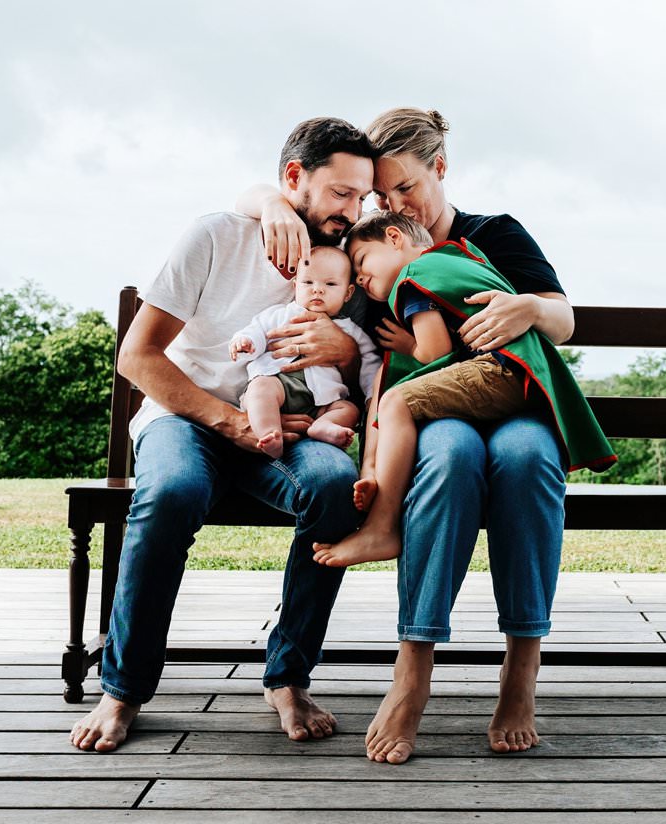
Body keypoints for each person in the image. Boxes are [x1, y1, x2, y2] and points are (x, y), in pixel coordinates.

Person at [237, 107, 580, 763]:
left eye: (406, 188)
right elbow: (351, 333)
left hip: (514, 405)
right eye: (380, 193)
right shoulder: (373, 249)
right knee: (449, 456)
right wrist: (269, 207)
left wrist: (529, 306)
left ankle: (521, 673)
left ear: (440, 170)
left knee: (529, 456)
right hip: (432, 419)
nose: (392, 202)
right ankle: (412, 673)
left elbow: (562, 318)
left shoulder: (491, 236)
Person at [70, 117, 375, 753]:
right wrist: (232, 422)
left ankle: (287, 678)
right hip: (186, 419)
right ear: (293, 178)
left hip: (290, 430)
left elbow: (370, 368)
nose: (353, 209)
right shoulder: (217, 236)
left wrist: (343, 348)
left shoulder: (350, 260)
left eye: (362, 196)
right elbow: (139, 358)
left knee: (333, 486)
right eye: (341, 193)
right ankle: (122, 690)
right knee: (174, 491)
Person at [312, 211, 613, 568]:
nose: (361, 278)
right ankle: (375, 479)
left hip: (499, 370)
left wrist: (409, 347)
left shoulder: (412, 278)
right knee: (394, 391)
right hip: (525, 370)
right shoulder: (459, 256)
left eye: (362, 262)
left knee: (394, 402)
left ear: (395, 238)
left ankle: (381, 527)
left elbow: (435, 351)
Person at [230, 245, 380, 458]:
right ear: (295, 286)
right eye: (308, 282)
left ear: (347, 293)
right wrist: (246, 342)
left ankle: (323, 426)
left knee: (348, 409)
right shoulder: (281, 314)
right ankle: (269, 435)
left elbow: (370, 363)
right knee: (260, 389)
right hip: (278, 382)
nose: (317, 289)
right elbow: (257, 330)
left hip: (321, 400)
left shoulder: (350, 331)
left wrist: (371, 396)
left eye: (330, 284)